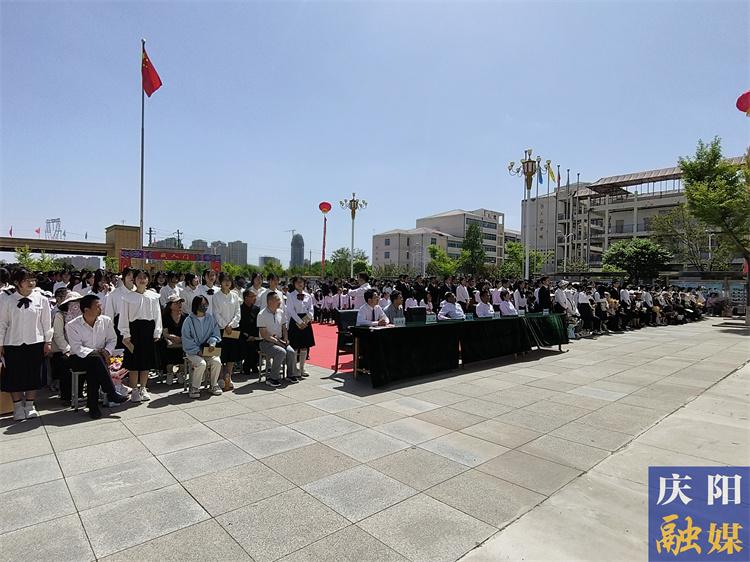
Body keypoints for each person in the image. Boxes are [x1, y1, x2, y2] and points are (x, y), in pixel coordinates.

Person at [0, 269, 53, 421]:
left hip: (35, 342)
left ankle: (30, 405)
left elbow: (46, 322)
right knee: (14, 376)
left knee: (33, 374)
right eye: (26, 280)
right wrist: (0, 343)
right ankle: (17, 407)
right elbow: (2, 323)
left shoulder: (41, 299)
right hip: (12, 342)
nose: (31, 283)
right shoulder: (6, 299)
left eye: (33, 279)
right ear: (17, 282)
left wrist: (48, 341)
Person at [66, 294, 128, 419]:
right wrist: (97, 352)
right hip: (78, 358)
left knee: (94, 366)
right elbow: (77, 348)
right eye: (97, 306)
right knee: (95, 359)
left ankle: (93, 406)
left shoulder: (106, 321)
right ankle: (111, 392)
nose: (101, 308)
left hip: (100, 358)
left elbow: (112, 339)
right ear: (86, 309)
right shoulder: (72, 325)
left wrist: (107, 351)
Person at [119, 269, 162, 403]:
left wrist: (157, 331)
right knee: (134, 363)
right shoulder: (128, 297)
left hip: (148, 330)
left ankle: (143, 388)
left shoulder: (153, 296)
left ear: (148, 280)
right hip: (134, 330)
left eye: (145, 277)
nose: (142, 280)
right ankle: (134, 390)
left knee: (146, 362)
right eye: (139, 277)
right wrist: (125, 333)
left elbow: (157, 315)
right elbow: (124, 316)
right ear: (135, 280)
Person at [181, 295, 223, 398]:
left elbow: (215, 333)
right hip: (192, 351)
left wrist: (212, 343)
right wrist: (197, 351)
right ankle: (195, 387)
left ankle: (213, 385)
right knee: (201, 364)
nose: (204, 306)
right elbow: (186, 339)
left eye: (205, 304)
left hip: (208, 350)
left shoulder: (210, 318)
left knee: (217, 362)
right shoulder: (189, 320)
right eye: (202, 304)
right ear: (196, 305)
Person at [257, 291, 300, 387]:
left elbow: (284, 328)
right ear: (270, 301)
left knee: (291, 351)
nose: (280, 301)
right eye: (277, 299)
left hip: (279, 340)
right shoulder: (261, 314)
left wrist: (286, 339)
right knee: (281, 352)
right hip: (266, 342)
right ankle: (272, 378)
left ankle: (290, 375)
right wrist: (278, 343)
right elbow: (264, 335)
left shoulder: (280, 312)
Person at [212, 272, 242, 391]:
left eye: (229, 280)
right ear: (220, 282)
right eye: (224, 280)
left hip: (233, 329)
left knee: (231, 354)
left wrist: (231, 325)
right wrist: (225, 325)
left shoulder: (235, 295)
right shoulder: (216, 296)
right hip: (221, 329)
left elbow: (238, 313)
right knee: (221, 354)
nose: (227, 282)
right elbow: (216, 313)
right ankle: (220, 377)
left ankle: (228, 376)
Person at [286, 276, 315, 378]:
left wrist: (307, 319)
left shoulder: (308, 295)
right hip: (295, 321)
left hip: (306, 321)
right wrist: (299, 321)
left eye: (301, 282)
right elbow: (290, 310)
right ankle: (294, 369)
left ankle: (302, 368)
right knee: (294, 346)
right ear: (294, 284)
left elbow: (311, 309)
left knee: (304, 346)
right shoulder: (290, 295)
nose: (300, 284)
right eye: (297, 282)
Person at [161, 294, 187, 384]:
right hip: (169, 340)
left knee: (185, 349)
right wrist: (173, 337)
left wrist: (181, 338)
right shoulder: (165, 317)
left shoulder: (185, 317)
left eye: (180, 303)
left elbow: (188, 331)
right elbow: (165, 333)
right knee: (166, 347)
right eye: (176, 303)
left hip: (182, 340)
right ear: (170, 305)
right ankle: (170, 373)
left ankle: (180, 372)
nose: (179, 305)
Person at [239, 288, 261, 375]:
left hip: (255, 335)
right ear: (246, 298)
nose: (254, 298)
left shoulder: (256, 309)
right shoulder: (240, 309)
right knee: (248, 345)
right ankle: (247, 366)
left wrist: (254, 336)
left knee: (257, 344)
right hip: (243, 335)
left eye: (255, 296)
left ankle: (254, 364)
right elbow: (239, 326)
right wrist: (247, 336)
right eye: (252, 296)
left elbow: (258, 324)